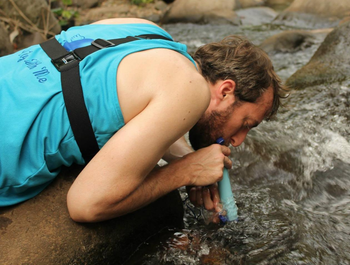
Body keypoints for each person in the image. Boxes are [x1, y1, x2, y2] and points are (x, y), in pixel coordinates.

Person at [0, 18, 287, 222]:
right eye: (247, 123)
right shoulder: (191, 91)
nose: (239, 140)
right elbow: (84, 205)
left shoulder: (149, 33)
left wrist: (185, 157)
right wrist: (185, 172)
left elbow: (137, 106)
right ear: (226, 90)